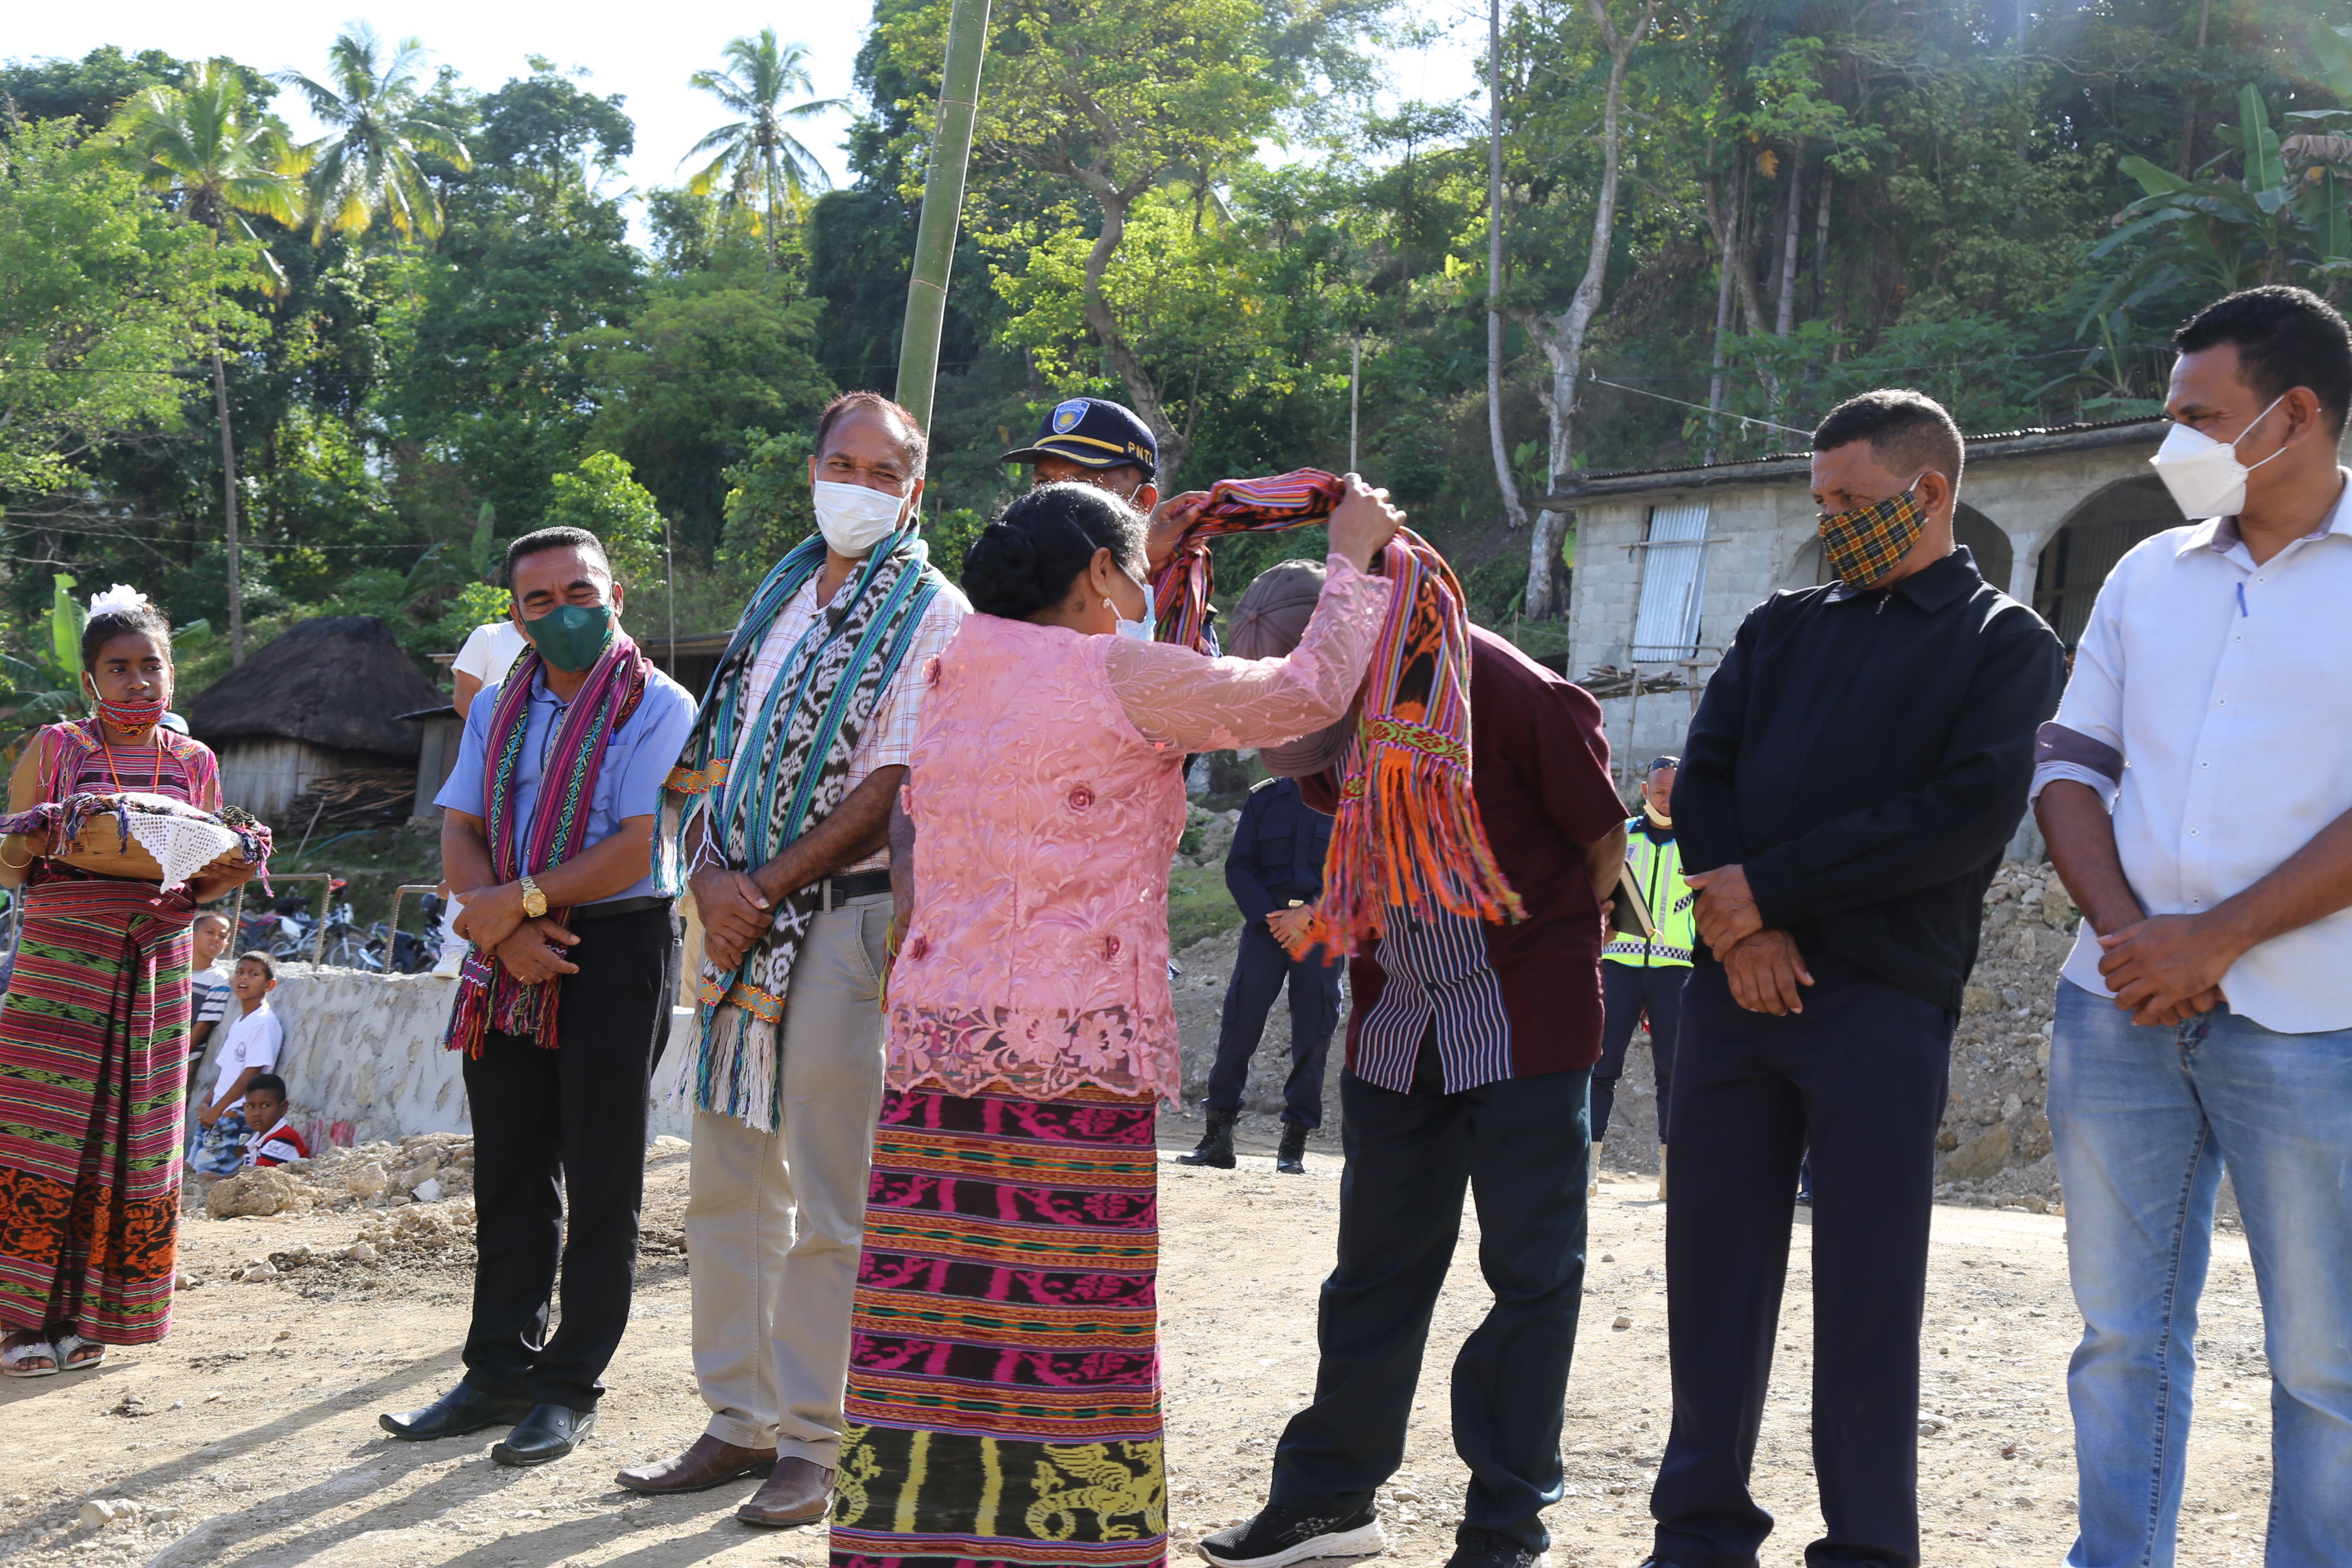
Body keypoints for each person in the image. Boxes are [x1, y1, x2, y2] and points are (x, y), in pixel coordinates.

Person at [828, 475, 1403, 1568]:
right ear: (1098, 573)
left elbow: (1100, 689)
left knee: (939, 1328)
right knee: (1070, 1329)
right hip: (1071, 1055)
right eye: (1130, 570)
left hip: (941, 1050)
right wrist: (1353, 562)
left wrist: (1163, 562)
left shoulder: (945, 662)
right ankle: (1071, 1549)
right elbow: (1303, 694)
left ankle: (919, 1546)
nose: (1141, 590)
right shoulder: (1118, 675)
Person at [1642, 389, 2064, 1568]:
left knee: (1868, 1285)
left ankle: (1869, 1547)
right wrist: (1743, 931)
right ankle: (1699, 1533)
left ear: (1928, 493)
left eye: (1851, 498)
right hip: (1735, 991)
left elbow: (1961, 815)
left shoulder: (2003, 642)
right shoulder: (1780, 626)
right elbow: (1705, 776)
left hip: (1880, 1001)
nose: (1830, 519)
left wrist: (1772, 894)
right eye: (1819, 498)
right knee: (1710, 1268)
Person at [1203, 580, 1627, 1568]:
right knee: (1374, 1274)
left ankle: (1506, 1528)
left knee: (1530, 1278)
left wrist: (1541, 945)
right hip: (1398, 1019)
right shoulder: (1326, 710)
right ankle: (1329, 1503)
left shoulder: (1502, 686)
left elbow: (1601, 837)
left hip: (1523, 1023)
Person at [2033, 285, 2352, 1567]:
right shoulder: (2145, 574)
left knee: (2327, 1360)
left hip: (2315, 1021)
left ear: (2298, 413)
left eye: (2201, 417)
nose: (2175, 443)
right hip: (2116, 1005)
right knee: (2121, 1339)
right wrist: (2134, 939)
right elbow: (2068, 763)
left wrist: (2211, 938)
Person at [620, 392, 966, 1524]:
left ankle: (817, 1437)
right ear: (811, 470)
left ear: (914, 491)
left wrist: (758, 887)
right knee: (727, 1181)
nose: (858, 488)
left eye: (883, 473)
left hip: (839, 920)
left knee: (828, 1196)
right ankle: (740, 1416)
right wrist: (711, 878)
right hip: (734, 922)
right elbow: (714, 752)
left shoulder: (932, 612)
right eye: (842, 465)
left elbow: (892, 784)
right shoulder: (777, 596)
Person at [380, 525, 697, 1466]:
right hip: (507, 951)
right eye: (541, 601)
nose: (565, 614)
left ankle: (568, 1386)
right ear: (516, 617)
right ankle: (497, 1372)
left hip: (616, 943)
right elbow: (462, 826)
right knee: (511, 1168)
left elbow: (636, 845)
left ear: (616, 595)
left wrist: (513, 906)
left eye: (581, 592)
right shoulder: (498, 704)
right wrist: (506, 932)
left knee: (603, 1174)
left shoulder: (661, 703)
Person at [0, 586, 253, 1379]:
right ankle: (19, 1321)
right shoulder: (55, 746)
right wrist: (36, 837)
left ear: (172, 673)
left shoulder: (195, 761)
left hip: (155, 961)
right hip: (61, 958)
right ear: (90, 679)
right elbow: (9, 864)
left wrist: (218, 877)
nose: (139, 681)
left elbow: (203, 869)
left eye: (152, 665)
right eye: (119, 668)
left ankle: (92, 1316)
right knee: (41, 1125)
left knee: (130, 1131)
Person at [1181, 561, 1347, 1175]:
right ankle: (1217, 1137)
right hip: (1266, 929)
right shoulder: (1263, 800)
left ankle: (1293, 1146)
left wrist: (1311, 916)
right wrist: (1274, 918)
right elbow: (1239, 868)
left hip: (1322, 933)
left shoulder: (1346, 799)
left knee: (1313, 1036)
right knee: (1239, 1027)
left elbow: (1355, 871)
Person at [1592, 756, 1694, 1201]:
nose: (1667, 800)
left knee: (1674, 1072)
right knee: (1601, 1066)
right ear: (1644, 790)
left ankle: (1672, 1175)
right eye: (1660, 791)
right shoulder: (1623, 837)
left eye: (1675, 791)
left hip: (1677, 971)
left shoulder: (1700, 841)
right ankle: (1588, 1167)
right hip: (1619, 964)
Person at [187, 952, 282, 1178]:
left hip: (236, 1112)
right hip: (218, 1110)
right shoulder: (241, 1021)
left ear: (269, 985)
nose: (244, 978)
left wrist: (218, 1109)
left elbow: (252, 1074)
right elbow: (226, 1070)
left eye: (253, 974)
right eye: (240, 972)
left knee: (208, 1174)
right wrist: (207, 1102)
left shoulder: (262, 1023)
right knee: (192, 1167)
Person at [186, 910, 233, 1064]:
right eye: (210, 932)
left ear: (226, 945)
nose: (216, 938)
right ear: (191, 934)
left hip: (183, 1059)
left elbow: (204, 1023)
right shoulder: (169, 968)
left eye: (222, 936)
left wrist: (177, 1058)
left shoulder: (218, 978)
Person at [237, 1074, 308, 1168]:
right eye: (251, 1106)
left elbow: (257, 1174)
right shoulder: (255, 1141)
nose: (257, 1113)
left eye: (266, 1105)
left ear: (283, 1108)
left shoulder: (283, 1138)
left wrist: (219, 1176)